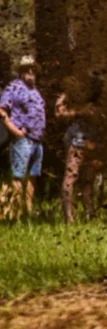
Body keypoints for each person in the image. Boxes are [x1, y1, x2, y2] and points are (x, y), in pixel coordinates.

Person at [0, 56, 46, 216]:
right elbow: (2, 110)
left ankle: (29, 210)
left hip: (37, 139)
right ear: (21, 71)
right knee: (19, 175)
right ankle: (17, 212)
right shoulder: (14, 87)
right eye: (27, 69)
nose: (31, 72)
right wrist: (16, 131)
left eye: (33, 69)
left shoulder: (35, 90)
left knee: (33, 175)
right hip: (23, 140)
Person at [57, 75, 101, 223]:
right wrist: (66, 99)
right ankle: (69, 218)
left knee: (88, 180)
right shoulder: (77, 104)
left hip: (90, 143)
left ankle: (90, 214)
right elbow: (59, 113)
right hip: (77, 143)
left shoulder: (93, 105)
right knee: (71, 177)